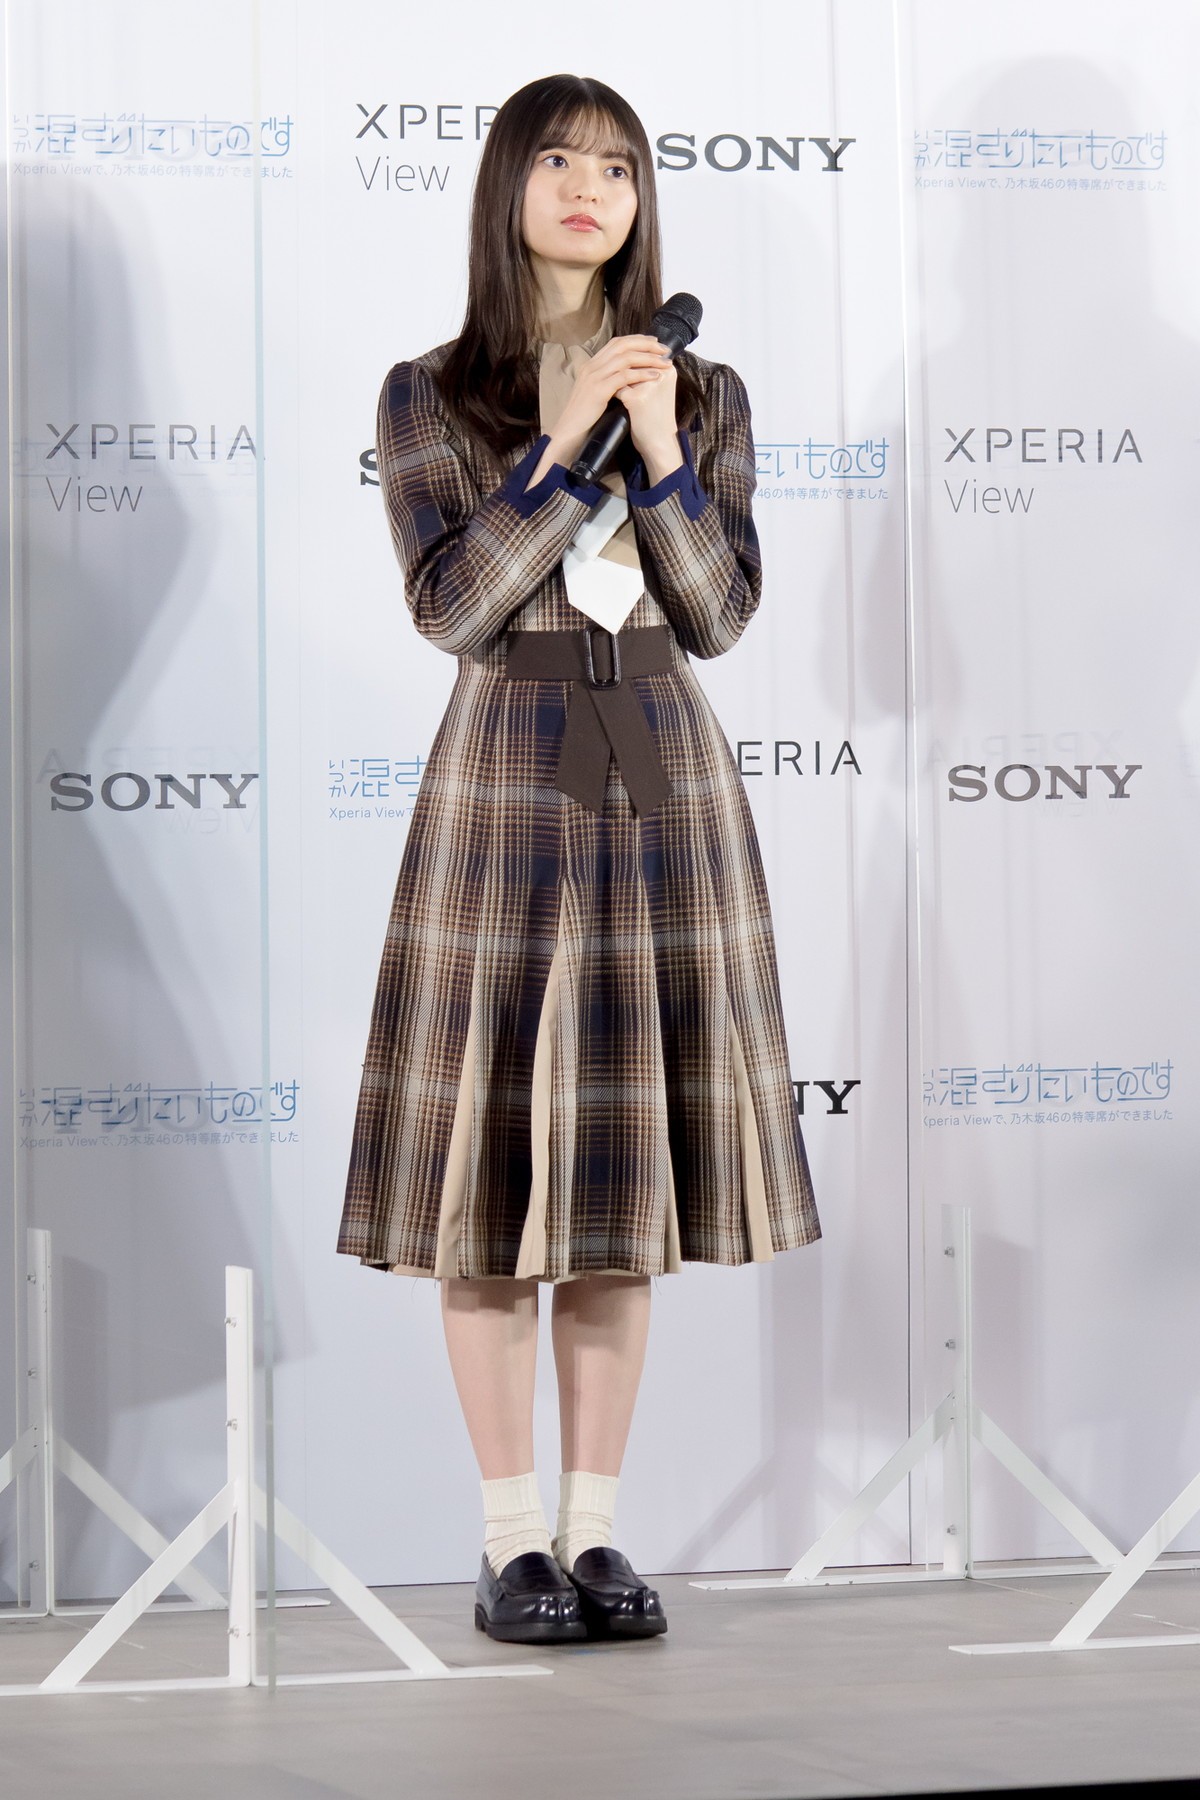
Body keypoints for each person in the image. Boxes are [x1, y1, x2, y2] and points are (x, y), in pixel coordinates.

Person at [337, 72, 820, 1647]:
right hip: (509, 785)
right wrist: (553, 451)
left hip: (664, 778)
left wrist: (661, 444)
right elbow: (455, 609)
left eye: (617, 167)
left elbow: (719, 615)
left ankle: (597, 1535)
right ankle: (509, 1544)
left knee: (617, 1180)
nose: (590, 189)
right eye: (559, 160)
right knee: (492, 1182)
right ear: (509, 185)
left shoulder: (707, 390)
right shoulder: (432, 394)